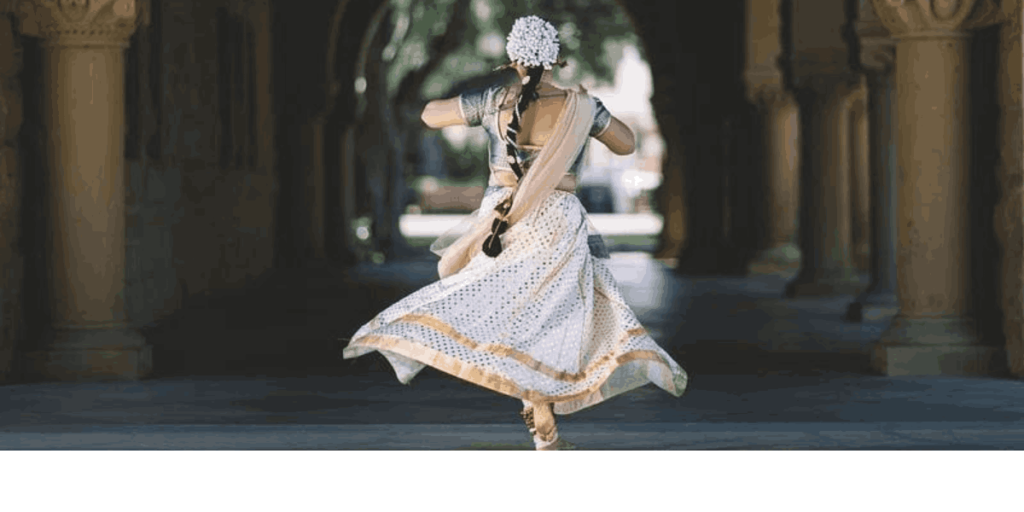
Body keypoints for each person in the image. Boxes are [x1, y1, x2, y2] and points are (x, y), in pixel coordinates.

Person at [342, 15, 688, 450]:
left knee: (510, 314)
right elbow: (627, 143)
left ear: (512, 58)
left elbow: (430, 115)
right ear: (558, 59)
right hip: (557, 223)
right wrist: (592, 109)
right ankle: (543, 416)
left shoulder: (495, 102)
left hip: (502, 221)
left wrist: (478, 100)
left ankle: (532, 407)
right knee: (553, 321)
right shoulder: (579, 107)